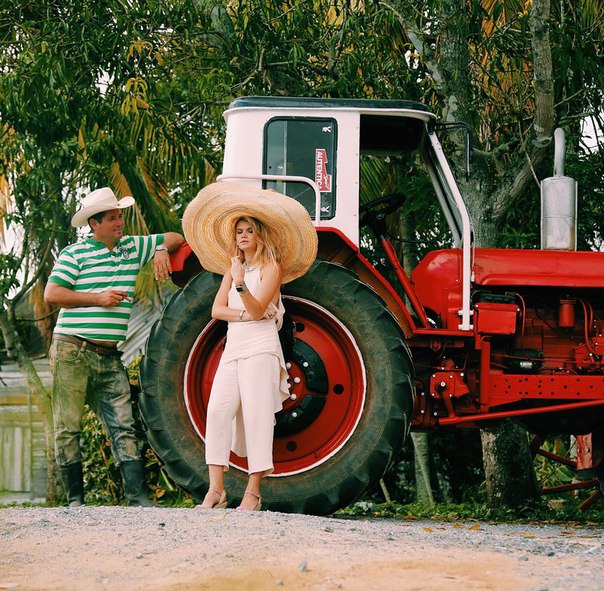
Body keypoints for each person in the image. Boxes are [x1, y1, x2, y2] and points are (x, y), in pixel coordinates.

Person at [44, 187, 185, 506]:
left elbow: (176, 236)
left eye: (120, 216)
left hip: (109, 356)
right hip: (72, 351)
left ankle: (138, 499)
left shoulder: (133, 247)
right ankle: (75, 502)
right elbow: (52, 294)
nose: (120, 222)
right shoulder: (74, 254)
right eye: (112, 218)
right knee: (68, 425)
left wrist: (161, 248)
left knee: (123, 424)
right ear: (94, 224)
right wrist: (98, 298)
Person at [181, 182, 317, 511]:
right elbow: (218, 311)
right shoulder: (233, 268)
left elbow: (260, 309)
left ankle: (253, 493)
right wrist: (244, 307)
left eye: (248, 230)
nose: (242, 236)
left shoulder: (272, 268)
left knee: (256, 416)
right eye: (239, 231)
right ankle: (216, 490)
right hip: (235, 347)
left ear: (259, 235)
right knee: (217, 411)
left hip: (261, 347)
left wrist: (242, 287)